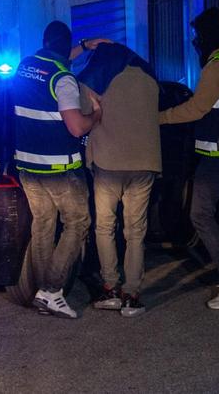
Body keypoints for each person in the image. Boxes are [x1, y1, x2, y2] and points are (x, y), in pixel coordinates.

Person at [159, 7, 219, 310]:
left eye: (197, 37)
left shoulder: (215, 67)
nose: (195, 42)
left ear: (206, 36)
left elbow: (196, 109)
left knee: (200, 214)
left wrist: (158, 118)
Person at [12, 21, 102, 319]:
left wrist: (84, 46)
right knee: (77, 222)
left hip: (27, 166)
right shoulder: (64, 80)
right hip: (58, 169)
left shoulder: (25, 66)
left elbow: (60, 57)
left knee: (43, 224)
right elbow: (76, 128)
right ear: (65, 47)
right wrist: (96, 116)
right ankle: (51, 291)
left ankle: (41, 292)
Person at [77, 43, 161, 317]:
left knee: (105, 227)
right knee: (136, 231)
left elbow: (80, 115)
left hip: (108, 164)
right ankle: (132, 294)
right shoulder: (149, 78)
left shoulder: (96, 79)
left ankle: (111, 289)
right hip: (144, 164)